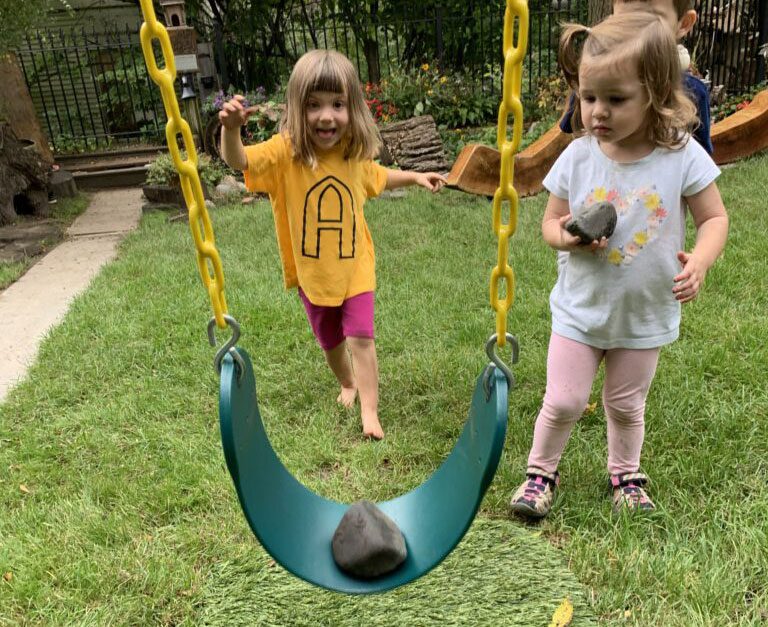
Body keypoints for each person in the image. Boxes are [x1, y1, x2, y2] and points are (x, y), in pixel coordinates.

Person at [509, 10, 728, 518]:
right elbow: (549, 224)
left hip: (643, 314)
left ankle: (626, 474)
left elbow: (714, 217)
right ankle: (540, 473)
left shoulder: (681, 156)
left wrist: (700, 259)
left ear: (654, 92)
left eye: (615, 99)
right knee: (563, 401)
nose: (597, 112)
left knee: (626, 406)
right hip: (581, 310)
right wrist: (566, 238)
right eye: (588, 98)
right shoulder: (579, 156)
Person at [218, 49, 447, 441]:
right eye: (314, 105)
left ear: (352, 108)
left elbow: (379, 176)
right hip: (314, 274)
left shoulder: (352, 156)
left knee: (361, 336)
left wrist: (414, 176)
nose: (326, 115)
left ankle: (370, 412)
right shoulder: (284, 154)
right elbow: (238, 160)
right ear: (296, 107)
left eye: (337, 104)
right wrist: (232, 129)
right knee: (330, 341)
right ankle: (347, 383)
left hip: (356, 265)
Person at [559, 0, 713, 155]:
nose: (635, 31)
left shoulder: (693, 92)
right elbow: (573, 144)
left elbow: (700, 165)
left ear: (684, 23)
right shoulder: (596, 88)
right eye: (625, 18)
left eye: (649, 19)